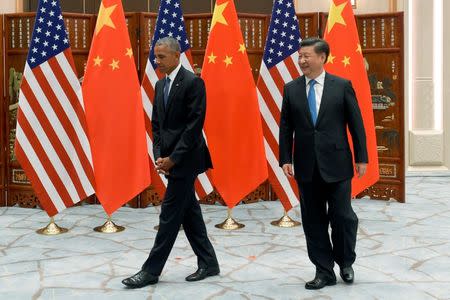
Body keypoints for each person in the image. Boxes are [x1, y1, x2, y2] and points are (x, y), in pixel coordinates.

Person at [122, 37, 219, 289]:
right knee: (189, 213)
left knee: (169, 216)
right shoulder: (160, 84)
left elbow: (193, 127)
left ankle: (150, 271)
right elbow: (157, 125)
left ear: (177, 56)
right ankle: (209, 263)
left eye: (162, 57)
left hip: (186, 160)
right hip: (168, 159)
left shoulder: (194, 83)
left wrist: (173, 159)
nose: (157, 61)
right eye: (156, 56)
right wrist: (158, 154)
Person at [279, 37, 368, 290]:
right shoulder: (291, 88)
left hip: (337, 163)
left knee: (343, 217)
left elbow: (356, 124)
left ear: (322, 58)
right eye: (300, 56)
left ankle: (345, 261)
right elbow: (286, 126)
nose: (302, 61)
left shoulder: (341, 86)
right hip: (306, 165)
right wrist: (285, 157)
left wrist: (361, 157)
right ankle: (323, 270)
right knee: (313, 220)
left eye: (307, 56)